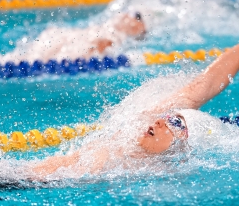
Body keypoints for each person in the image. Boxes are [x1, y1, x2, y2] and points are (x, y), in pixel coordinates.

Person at [31, 44, 239, 177]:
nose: (160, 121)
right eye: (169, 116)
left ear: (184, 143)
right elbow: (203, 85)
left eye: (175, 123)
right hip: (32, 172)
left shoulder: (155, 171)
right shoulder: (141, 123)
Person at [0, 12, 146, 64]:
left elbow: (100, 45)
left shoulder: (116, 35)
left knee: (24, 59)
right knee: (30, 61)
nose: (129, 16)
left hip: (61, 37)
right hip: (64, 38)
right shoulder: (111, 30)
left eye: (136, 19)